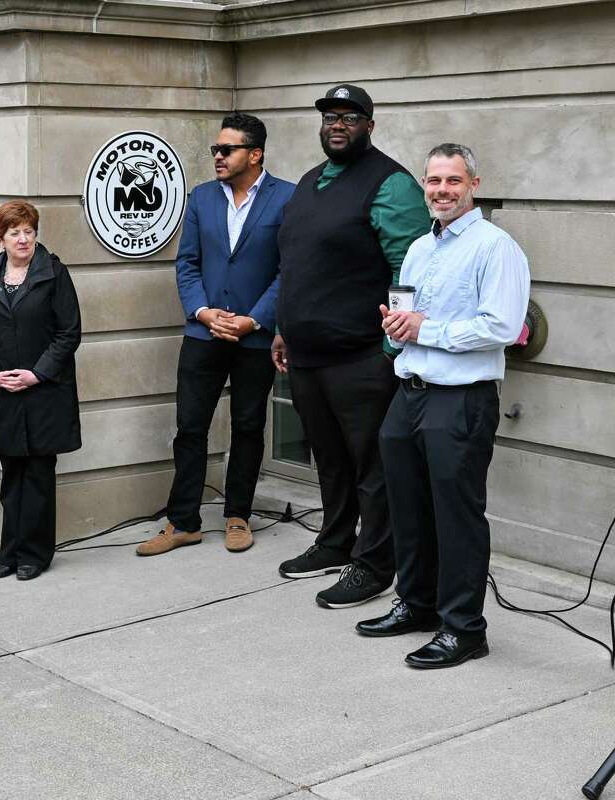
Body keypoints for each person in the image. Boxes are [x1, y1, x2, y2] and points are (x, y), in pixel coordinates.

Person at [357, 144, 529, 668]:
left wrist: (425, 330)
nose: (442, 191)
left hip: (460, 399)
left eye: (453, 181)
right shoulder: (418, 248)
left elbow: (502, 326)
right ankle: (416, 603)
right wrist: (399, 324)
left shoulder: (495, 248)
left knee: (457, 518)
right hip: (409, 395)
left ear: (473, 184)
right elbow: (408, 315)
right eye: (434, 181)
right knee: (407, 509)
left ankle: (464, 629)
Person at [272, 84, 430, 609]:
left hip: (361, 357)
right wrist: (282, 327)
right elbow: (296, 262)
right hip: (308, 354)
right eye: (329, 117)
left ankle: (373, 564)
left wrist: (390, 349)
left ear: (369, 125)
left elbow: (407, 272)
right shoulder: (310, 181)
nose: (337, 125)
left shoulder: (391, 183)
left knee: (373, 469)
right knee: (331, 460)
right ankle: (335, 542)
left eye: (349, 117)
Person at [135, 113, 295, 558]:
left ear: (255, 154)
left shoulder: (288, 199)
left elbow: (289, 269)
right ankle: (183, 521)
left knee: (248, 426)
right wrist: (203, 312)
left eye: (227, 150)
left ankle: (238, 516)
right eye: (215, 150)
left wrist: (255, 319)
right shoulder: (202, 198)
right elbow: (186, 262)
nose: (218, 157)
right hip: (203, 334)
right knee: (190, 427)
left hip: (255, 337)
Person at [0, 200, 81, 581]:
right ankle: (9, 552)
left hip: (44, 391)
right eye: (14, 232)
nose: (23, 238)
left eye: (29, 231)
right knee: (12, 472)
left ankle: (35, 553)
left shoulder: (54, 273)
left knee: (38, 474)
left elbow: (69, 333)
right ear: (0, 239)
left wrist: (37, 373)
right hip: (6, 391)